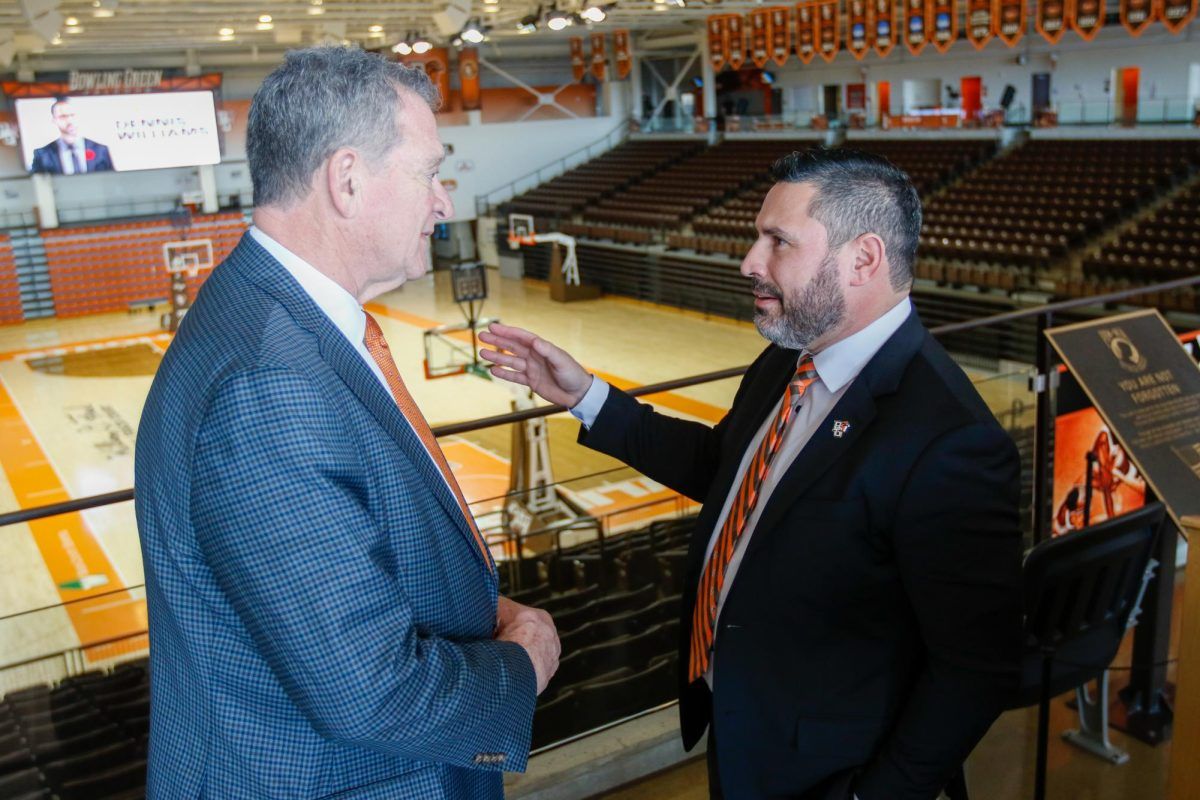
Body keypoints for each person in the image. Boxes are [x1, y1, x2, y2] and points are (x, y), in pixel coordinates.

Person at [480, 149, 1023, 799]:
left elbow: (975, 667)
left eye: (778, 242)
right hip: (747, 731)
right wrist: (587, 397)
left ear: (864, 260)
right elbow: (727, 471)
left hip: (830, 768)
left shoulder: (950, 439)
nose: (749, 262)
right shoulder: (786, 362)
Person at [135, 47, 558, 799]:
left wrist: (478, 603)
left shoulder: (283, 322)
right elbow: (373, 691)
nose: (444, 203)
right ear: (348, 179)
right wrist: (523, 659)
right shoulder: (267, 382)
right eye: (430, 172)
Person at [30, 97, 114, 174]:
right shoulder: (42, 155)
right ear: (54, 120)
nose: (70, 120)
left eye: (72, 115)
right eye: (63, 116)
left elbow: (112, 183)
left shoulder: (100, 150)